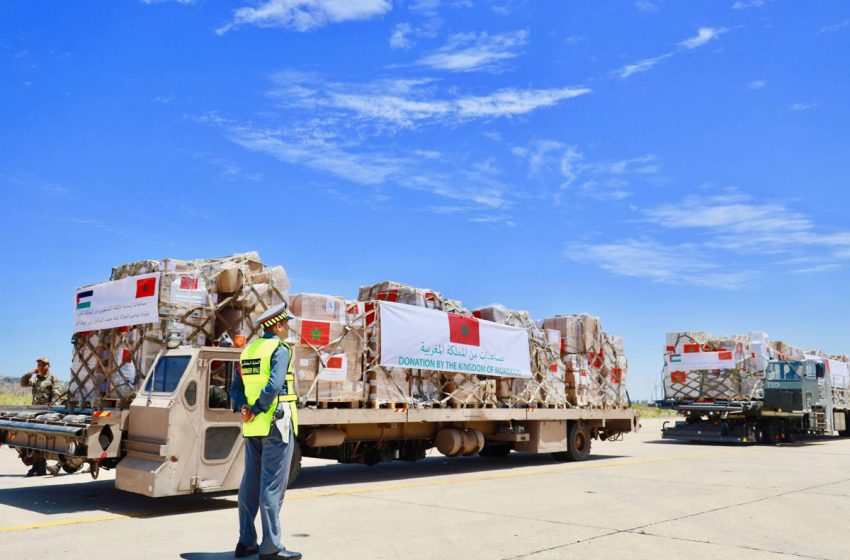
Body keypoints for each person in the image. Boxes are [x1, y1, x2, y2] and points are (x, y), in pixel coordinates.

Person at [230, 303, 301, 560]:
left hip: (252, 426)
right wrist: (259, 408)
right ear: (278, 325)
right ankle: (271, 548)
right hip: (276, 423)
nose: (287, 328)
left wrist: (245, 409)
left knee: (250, 484)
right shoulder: (280, 350)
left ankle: (246, 542)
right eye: (286, 324)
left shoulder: (248, 350)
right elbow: (274, 385)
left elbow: (235, 388)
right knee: (272, 486)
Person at [20, 357, 60, 477]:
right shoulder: (36, 379)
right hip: (35, 411)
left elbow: (56, 396)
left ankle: (39, 466)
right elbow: (23, 383)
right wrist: (30, 373)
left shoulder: (52, 379)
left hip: (46, 412)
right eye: (39, 365)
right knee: (34, 439)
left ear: (48, 366)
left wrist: (51, 412)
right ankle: (38, 466)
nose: (40, 367)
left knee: (42, 439)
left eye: (42, 365)